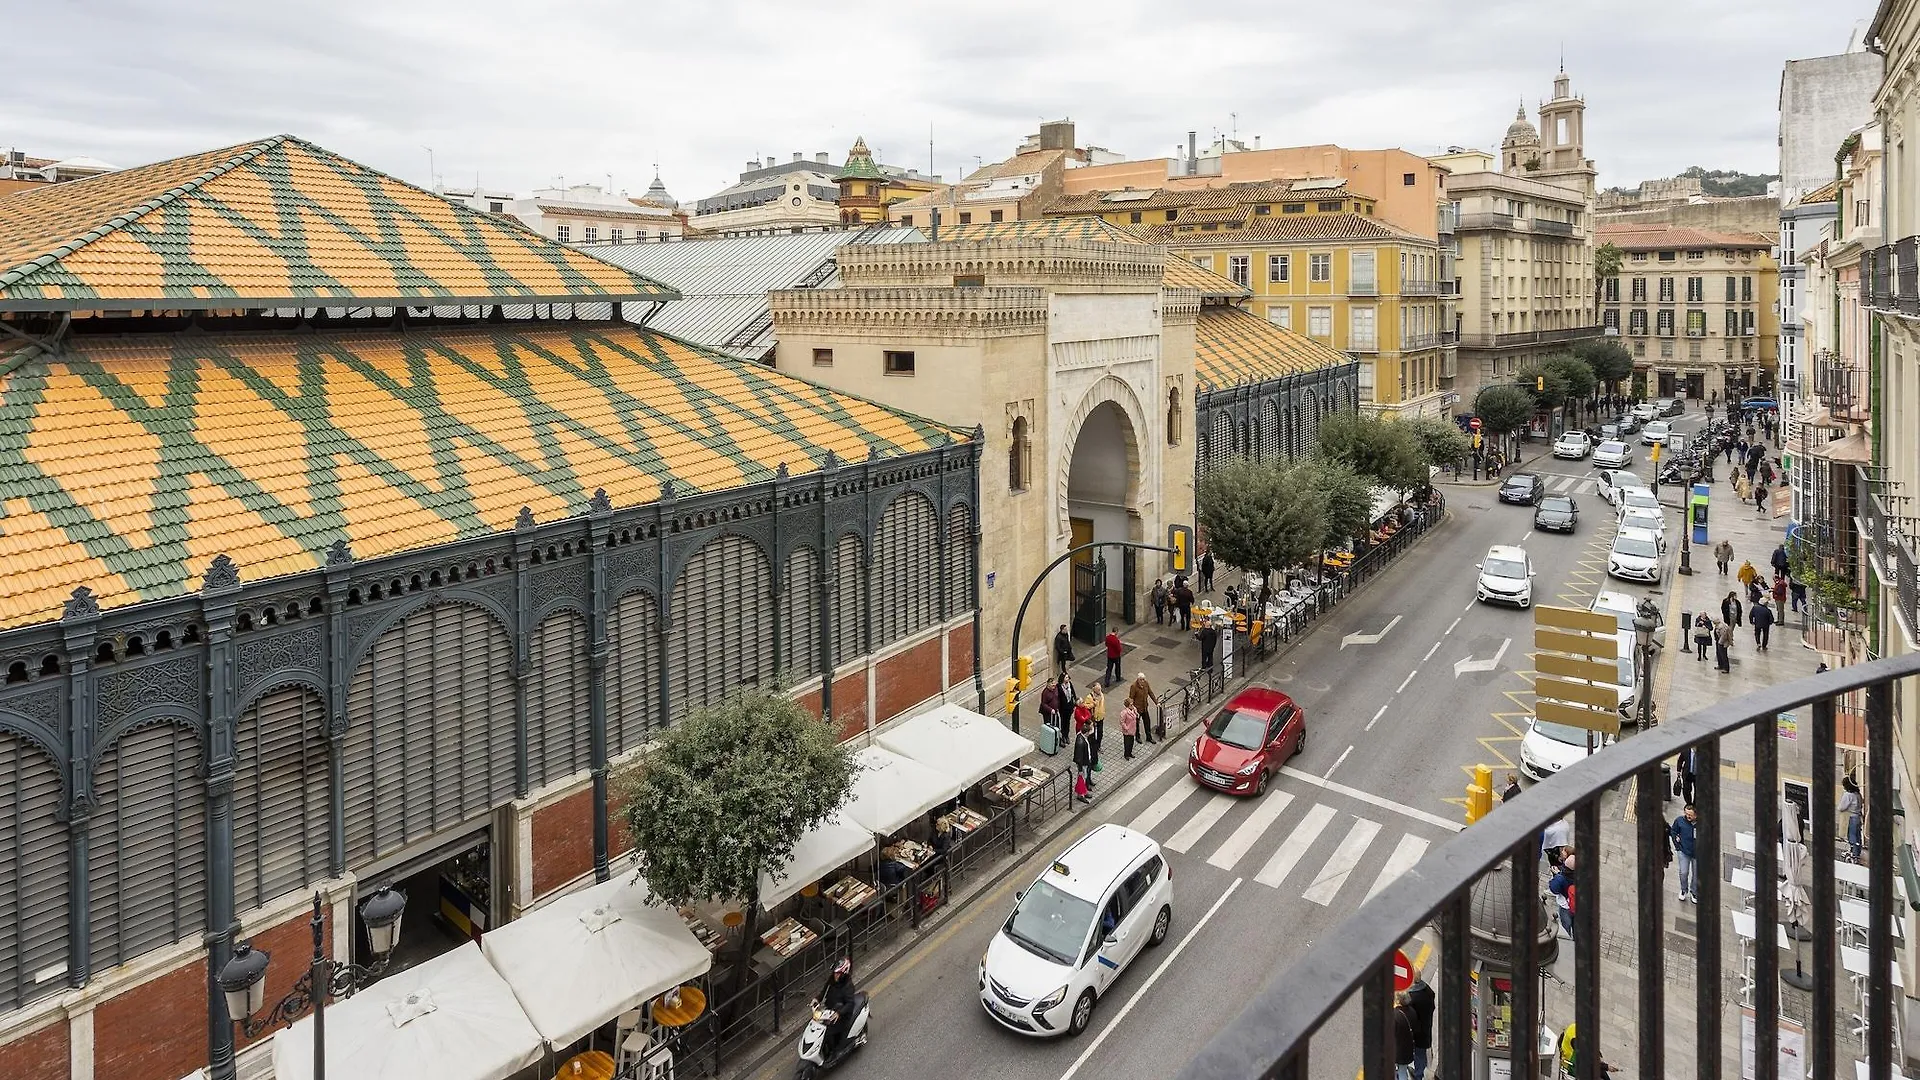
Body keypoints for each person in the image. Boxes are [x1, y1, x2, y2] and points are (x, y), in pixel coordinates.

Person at [817, 957, 860, 1059]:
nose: (835, 975)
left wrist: (839, 1013)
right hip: (829, 1010)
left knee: (828, 1032)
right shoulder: (832, 980)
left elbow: (850, 1004)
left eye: (837, 973)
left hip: (842, 1015)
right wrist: (817, 999)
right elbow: (824, 991)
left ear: (844, 973)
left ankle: (835, 1051)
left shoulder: (848, 986)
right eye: (835, 973)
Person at [1405, 976, 1436, 1080]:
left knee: (1417, 1053)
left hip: (1416, 1031)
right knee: (1421, 1053)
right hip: (1426, 1027)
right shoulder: (1427, 990)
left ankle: (1418, 1075)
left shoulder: (1412, 997)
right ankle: (1419, 1073)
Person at [1670, 803, 1700, 903]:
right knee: (1683, 873)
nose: (1688, 816)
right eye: (1686, 813)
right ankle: (1684, 890)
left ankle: (1694, 891)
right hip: (1684, 851)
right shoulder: (1679, 821)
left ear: (1696, 815)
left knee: (1697, 874)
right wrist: (1677, 847)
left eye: (1690, 814)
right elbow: (1673, 831)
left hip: (1697, 854)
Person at [1547, 854, 1577, 940]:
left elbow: (1554, 889)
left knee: (1566, 926)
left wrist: (1556, 875)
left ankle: (1567, 941)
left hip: (1566, 906)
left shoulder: (1561, 878)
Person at [1129, 675, 1161, 744]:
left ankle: (1149, 737)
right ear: (1138, 679)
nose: (1143, 681)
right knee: (1136, 723)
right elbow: (1131, 698)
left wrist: (1156, 702)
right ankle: (1137, 737)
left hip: (1144, 707)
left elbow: (1150, 693)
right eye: (1141, 680)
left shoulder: (1146, 684)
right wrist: (1132, 708)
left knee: (1147, 722)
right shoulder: (1134, 686)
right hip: (1137, 709)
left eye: (1143, 679)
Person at [1071, 712, 1095, 804]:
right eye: (1089, 732)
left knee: (1083, 778)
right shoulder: (1081, 742)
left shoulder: (1081, 736)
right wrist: (1080, 768)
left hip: (1085, 761)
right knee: (1082, 778)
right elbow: (1079, 757)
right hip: (1083, 763)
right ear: (1086, 733)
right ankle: (1081, 795)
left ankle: (1083, 792)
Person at [1841, 775, 1864, 863]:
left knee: (1852, 836)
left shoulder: (1848, 795)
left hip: (1851, 816)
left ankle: (1853, 854)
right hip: (1858, 817)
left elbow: (1842, 807)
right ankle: (1857, 853)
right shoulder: (1858, 794)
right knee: (1858, 836)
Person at [1392, 995, 1416, 1080]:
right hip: (1407, 1049)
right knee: (1403, 1071)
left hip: (1395, 1050)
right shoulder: (1412, 1012)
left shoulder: (1394, 1015)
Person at [1087, 685, 1107, 773]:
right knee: (1092, 735)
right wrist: (1093, 704)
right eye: (1098, 689)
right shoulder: (1089, 697)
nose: (1100, 690)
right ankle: (1093, 748)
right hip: (1093, 718)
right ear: (1094, 689)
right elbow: (1085, 706)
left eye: (1100, 689)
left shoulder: (1102, 695)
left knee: (1100, 733)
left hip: (1100, 717)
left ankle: (1098, 746)